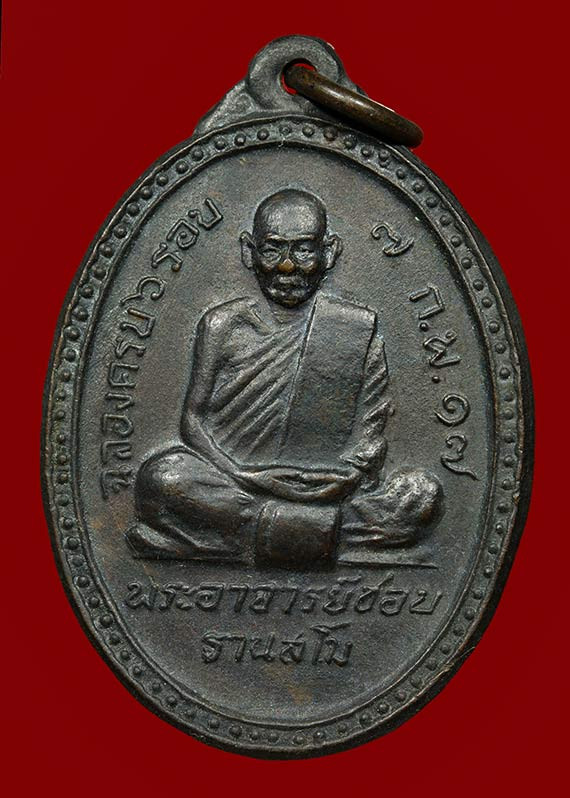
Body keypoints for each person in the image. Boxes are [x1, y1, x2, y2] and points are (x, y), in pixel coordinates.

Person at [127, 189, 442, 566]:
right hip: (236, 482)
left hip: (324, 488)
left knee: (420, 493)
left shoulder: (354, 327)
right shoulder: (223, 324)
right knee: (163, 478)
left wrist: (351, 476)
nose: (288, 267)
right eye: (273, 250)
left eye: (304, 250)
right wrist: (246, 475)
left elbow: (371, 429)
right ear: (249, 252)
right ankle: (328, 535)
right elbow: (192, 421)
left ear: (330, 253)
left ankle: (235, 536)